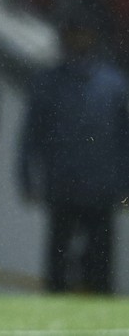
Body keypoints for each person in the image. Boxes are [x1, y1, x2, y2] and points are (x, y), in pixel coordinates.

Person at [22, 19, 129, 294]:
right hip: (65, 181)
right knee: (60, 253)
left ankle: (96, 297)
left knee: (99, 256)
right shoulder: (50, 82)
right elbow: (31, 134)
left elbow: (123, 137)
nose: (78, 42)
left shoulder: (112, 83)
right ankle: (60, 297)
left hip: (98, 184)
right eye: (74, 35)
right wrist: (26, 177)